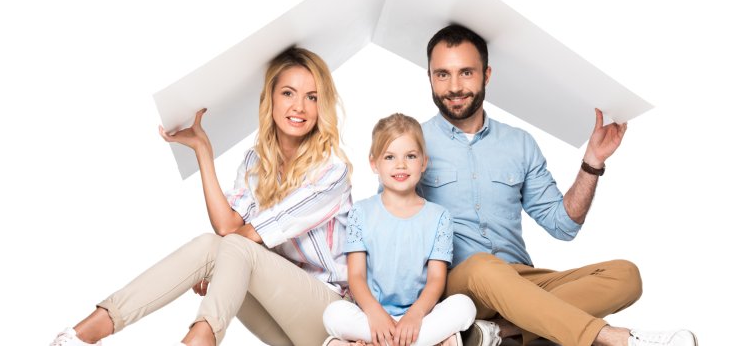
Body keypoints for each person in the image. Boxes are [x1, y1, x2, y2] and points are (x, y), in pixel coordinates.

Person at [50, 47, 354, 346]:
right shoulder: (257, 162)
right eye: (288, 93)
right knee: (214, 244)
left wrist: (216, 264)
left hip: (329, 320)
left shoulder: (331, 171)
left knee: (228, 248)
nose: (299, 106)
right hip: (283, 323)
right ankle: (82, 336)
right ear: (270, 99)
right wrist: (203, 152)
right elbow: (227, 226)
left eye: (312, 97)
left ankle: (200, 341)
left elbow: (247, 235)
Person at [418, 24, 697, 346]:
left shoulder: (519, 143)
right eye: (442, 74)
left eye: (466, 72)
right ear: (430, 78)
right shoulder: (412, 144)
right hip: (460, 285)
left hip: (521, 278)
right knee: (483, 266)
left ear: (487, 75)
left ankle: (497, 332)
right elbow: (391, 228)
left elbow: (563, 225)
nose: (454, 86)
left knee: (626, 275)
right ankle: (616, 338)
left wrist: (593, 161)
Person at [322, 113, 476, 346]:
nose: (401, 165)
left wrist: (415, 315)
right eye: (390, 157)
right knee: (333, 315)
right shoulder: (361, 212)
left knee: (464, 306)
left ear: (424, 162)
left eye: (410, 156)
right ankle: (431, 342)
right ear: (374, 163)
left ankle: (381, 343)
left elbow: (436, 279)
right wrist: (375, 314)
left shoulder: (439, 217)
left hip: (420, 317)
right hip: (372, 317)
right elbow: (356, 276)